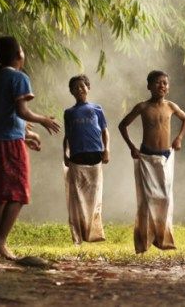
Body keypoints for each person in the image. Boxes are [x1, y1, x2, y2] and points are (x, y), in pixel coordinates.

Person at [0, 36, 60, 260]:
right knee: (19, 192)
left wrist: (25, 132)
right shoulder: (19, 77)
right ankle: (0, 241)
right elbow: (22, 111)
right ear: (18, 55)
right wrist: (43, 120)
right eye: (22, 50)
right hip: (10, 143)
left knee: (0, 194)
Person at [118, 70, 185, 253]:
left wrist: (179, 138)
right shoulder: (143, 107)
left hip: (165, 156)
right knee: (147, 199)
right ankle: (144, 240)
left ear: (168, 87)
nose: (161, 86)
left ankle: (163, 238)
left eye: (165, 83)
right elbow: (123, 125)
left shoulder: (171, 106)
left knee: (165, 198)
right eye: (157, 83)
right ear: (149, 86)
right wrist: (131, 147)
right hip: (147, 157)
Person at [63, 74, 109, 244]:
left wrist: (107, 149)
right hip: (76, 158)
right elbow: (67, 136)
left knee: (95, 197)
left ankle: (94, 232)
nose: (80, 89)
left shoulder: (97, 109)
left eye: (82, 86)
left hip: (95, 155)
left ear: (88, 88)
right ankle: (79, 234)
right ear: (71, 92)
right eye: (75, 88)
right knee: (77, 198)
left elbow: (105, 131)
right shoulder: (69, 113)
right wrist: (65, 154)